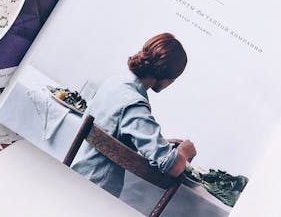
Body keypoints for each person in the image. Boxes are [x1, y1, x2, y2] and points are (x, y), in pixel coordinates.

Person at [71, 33, 196, 198]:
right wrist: (184, 151)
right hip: (96, 191)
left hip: (73, 173)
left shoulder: (114, 83)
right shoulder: (134, 104)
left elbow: (114, 131)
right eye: (173, 79)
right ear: (166, 76)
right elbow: (172, 167)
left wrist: (160, 143)